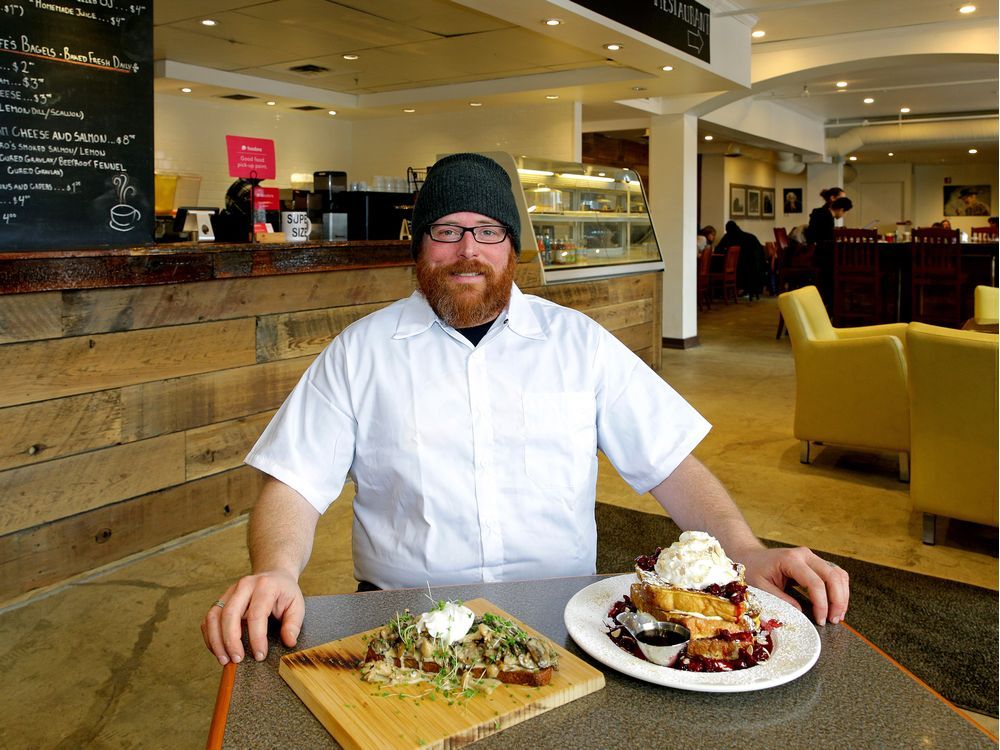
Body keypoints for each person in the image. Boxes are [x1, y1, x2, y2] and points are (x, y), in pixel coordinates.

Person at [201, 153, 850, 666]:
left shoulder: (580, 344)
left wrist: (742, 548)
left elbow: (669, 465)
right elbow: (294, 482)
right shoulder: (360, 353)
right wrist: (276, 570)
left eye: (487, 232)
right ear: (417, 247)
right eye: (446, 231)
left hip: (567, 618)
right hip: (400, 615)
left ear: (513, 248)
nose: (467, 250)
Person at [805, 195, 853, 308]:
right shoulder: (828, 218)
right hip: (822, 258)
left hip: (816, 253)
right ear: (841, 210)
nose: (843, 215)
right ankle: (833, 303)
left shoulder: (819, 212)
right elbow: (827, 241)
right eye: (844, 213)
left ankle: (832, 302)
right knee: (838, 266)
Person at [715, 220, 767, 300]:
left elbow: (718, 249)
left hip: (741, 268)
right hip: (755, 268)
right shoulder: (750, 237)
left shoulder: (729, 236)